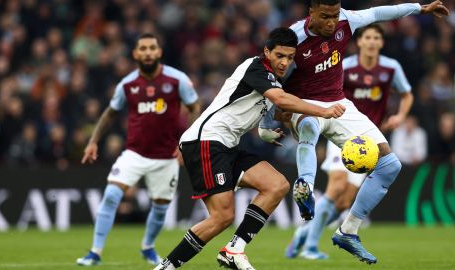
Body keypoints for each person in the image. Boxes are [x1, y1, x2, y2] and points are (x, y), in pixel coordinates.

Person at [258, 0, 448, 264]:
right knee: (310, 128)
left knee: (389, 165)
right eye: (324, 16)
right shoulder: (295, 36)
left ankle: (348, 231)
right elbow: (268, 79)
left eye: (334, 16)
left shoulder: (347, 20)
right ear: (311, 13)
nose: (331, 22)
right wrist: (266, 123)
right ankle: (306, 187)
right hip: (304, 104)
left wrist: (420, 8)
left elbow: (380, 13)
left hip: (340, 105)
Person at [153, 27, 345, 270]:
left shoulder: (274, 80)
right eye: (279, 56)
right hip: (206, 142)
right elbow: (281, 101)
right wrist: (324, 111)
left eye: (289, 57)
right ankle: (165, 268)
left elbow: (277, 111)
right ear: (267, 52)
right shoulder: (255, 67)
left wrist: (279, 127)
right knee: (222, 217)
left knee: (277, 185)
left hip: (228, 146)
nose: (284, 62)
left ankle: (234, 249)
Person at [284, 24, 414, 260]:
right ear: (360, 42)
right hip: (341, 129)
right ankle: (311, 247)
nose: (372, 42)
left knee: (344, 200)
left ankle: (304, 232)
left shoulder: (391, 68)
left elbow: (407, 93)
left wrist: (401, 116)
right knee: (336, 188)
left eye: (377, 38)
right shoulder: (344, 65)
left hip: (366, 140)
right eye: (368, 37)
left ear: (381, 43)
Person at [76, 33, 201, 266]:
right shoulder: (127, 84)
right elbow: (110, 113)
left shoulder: (177, 79)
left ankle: (147, 247)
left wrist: (186, 144)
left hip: (167, 157)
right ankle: (95, 252)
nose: (147, 52)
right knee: (112, 194)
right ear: (135, 54)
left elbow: (195, 108)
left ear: (159, 52)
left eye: (152, 48)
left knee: (160, 208)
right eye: (142, 48)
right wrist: (93, 141)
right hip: (134, 153)